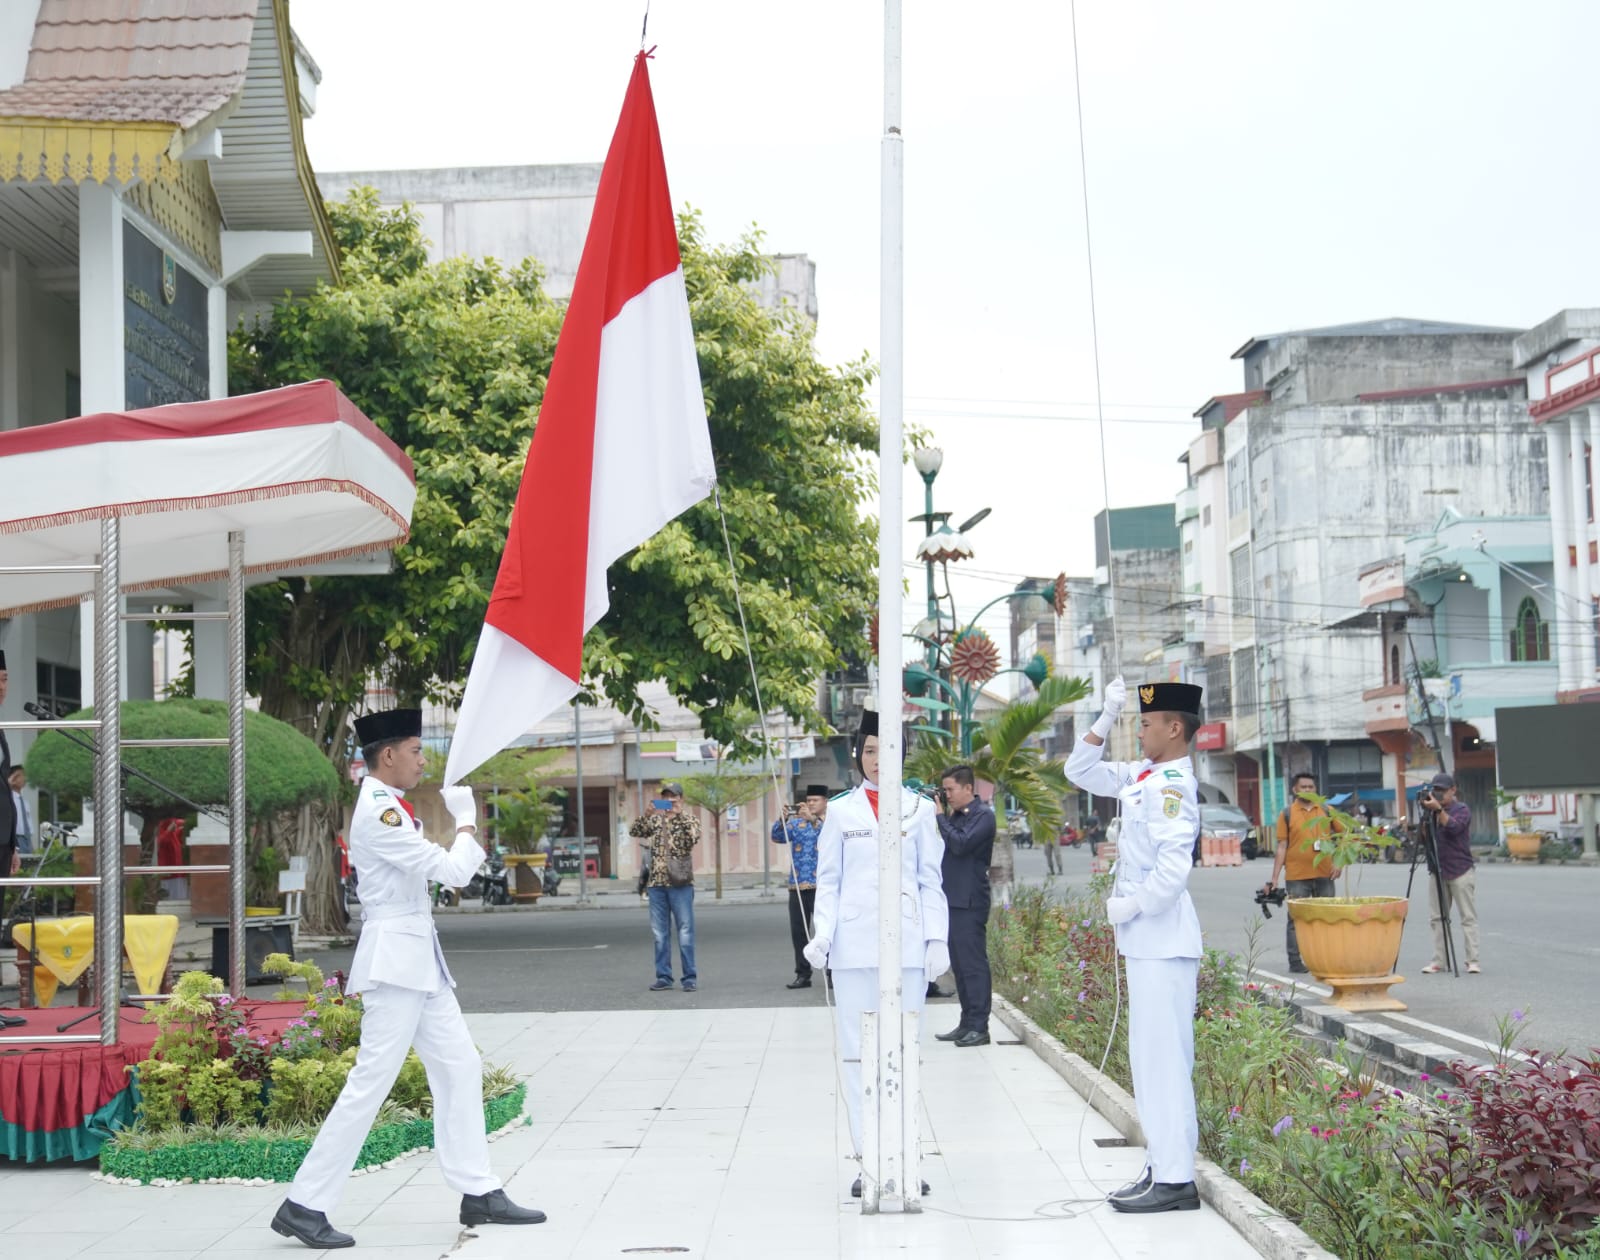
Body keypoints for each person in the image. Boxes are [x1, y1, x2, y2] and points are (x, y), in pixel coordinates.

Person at [271, 708, 544, 1249]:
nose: (423, 761)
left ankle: (478, 1191)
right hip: (397, 963)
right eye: (417, 752)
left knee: (460, 1066)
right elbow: (452, 872)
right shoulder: (379, 812)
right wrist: (466, 822)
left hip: (417, 960)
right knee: (370, 1083)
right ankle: (305, 1203)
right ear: (389, 755)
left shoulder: (390, 806)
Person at [1064, 677, 1204, 1215]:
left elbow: (1174, 869)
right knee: (1148, 1063)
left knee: (1165, 1063)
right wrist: (1105, 715)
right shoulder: (1142, 775)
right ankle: (1162, 1166)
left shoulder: (1172, 786)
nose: (1138, 731)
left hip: (1163, 941)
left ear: (1174, 728)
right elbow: (1078, 771)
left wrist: (1134, 904)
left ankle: (1175, 1180)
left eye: (1144, 723)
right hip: (1147, 943)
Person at [805, 708, 948, 1197]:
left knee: (905, 1054)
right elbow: (828, 881)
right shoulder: (842, 811)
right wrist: (822, 934)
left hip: (907, 948)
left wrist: (937, 939)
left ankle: (905, 1157)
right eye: (868, 751)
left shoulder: (920, 810)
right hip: (852, 948)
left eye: (885, 749)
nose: (876, 760)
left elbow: (931, 880)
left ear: (901, 753)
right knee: (856, 1056)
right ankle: (870, 1160)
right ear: (857, 755)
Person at [934, 765, 995, 1048]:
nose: (947, 796)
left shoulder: (983, 816)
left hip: (970, 900)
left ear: (968, 788)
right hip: (953, 899)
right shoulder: (956, 817)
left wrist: (939, 818)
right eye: (944, 791)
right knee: (959, 965)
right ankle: (967, 1022)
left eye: (950, 790)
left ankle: (980, 1027)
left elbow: (960, 845)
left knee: (973, 965)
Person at [1261, 772, 1343, 974]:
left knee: (1326, 917)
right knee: (1296, 920)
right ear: (1295, 790)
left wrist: (1339, 862)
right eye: (1303, 787)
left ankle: (1326, 958)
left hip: (1325, 874)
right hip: (1297, 876)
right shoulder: (1287, 813)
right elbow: (1282, 846)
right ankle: (1295, 962)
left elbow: (1344, 836)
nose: (1307, 790)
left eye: (1311, 787)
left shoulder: (1326, 810)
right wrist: (1274, 878)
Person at [629, 782, 700, 991]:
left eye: (674, 797)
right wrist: (647, 812)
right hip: (656, 884)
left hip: (680, 883)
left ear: (681, 799)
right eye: (666, 797)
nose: (670, 801)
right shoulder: (655, 821)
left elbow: (693, 838)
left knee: (685, 931)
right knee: (660, 933)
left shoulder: (690, 819)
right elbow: (635, 830)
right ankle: (664, 977)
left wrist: (679, 815)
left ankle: (689, 978)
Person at [1420, 772, 1478, 975]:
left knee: (1467, 918)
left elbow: (1454, 828)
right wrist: (1426, 817)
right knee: (1437, 918)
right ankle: (1439, 960)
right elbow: (1423, 840)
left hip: (1461, 870)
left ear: (1453, 790)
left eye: (1443, 790)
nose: (1439, 794)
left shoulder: (1461, 809)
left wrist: (1439, 812)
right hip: (1438, 870)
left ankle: (1472, 960)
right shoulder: (1431, 812)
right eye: (1436, 790)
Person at [772, 784, 829, 989]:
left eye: (816, 800)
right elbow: (777, 836)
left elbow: (830, 837)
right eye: (809, 800)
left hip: (823, 886)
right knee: (799, 933)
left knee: (826, 931)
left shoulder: (830, 822)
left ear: (825, 802)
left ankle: (832, 973)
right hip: (797, 885)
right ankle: (803, 974)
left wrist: (814, 821)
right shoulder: (796, 824)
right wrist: (783, 818)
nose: (811, 804)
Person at [0, 652, 18, 926]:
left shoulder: (2, 729)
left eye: (4, 680)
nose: (1, 687)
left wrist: (13, 846)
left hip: (2, 839)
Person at [9, 766, 30, 855]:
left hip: (27, 839)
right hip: (15, 838)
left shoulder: (25, 802)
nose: (24, 778)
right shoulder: (8, 798)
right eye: (19, 775)